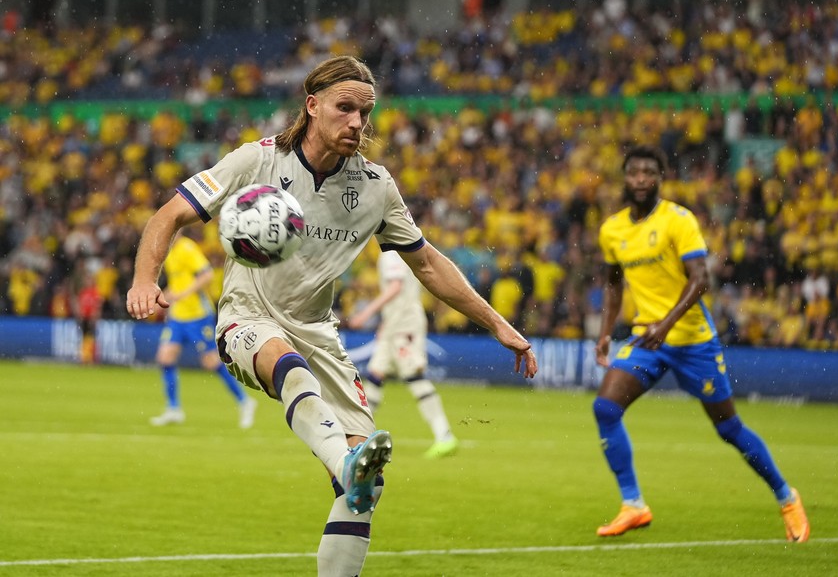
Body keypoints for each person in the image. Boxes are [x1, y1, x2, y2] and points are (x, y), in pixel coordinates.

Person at [127, 55, 537, 576]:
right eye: (345, 109)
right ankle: (343, 460)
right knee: (290, 367)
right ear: (312, 105)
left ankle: (345, 493)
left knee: (364, 490)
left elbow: (428, 263)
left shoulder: (375, 186)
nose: (357, 124)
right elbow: (171, 215)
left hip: (319, 333)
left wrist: (500, 324)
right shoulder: (255, 162)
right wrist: (145, 279)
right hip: (247, 315)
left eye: (365, 114)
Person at [592, 145, 809, 542]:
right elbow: (612, 284)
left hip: (693, 341)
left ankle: (786, 496)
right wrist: (606, 332)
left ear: (660, 177)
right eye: (634, 172)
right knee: (606, 408)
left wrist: (666, 325)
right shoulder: (612, 230)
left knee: (728, 428)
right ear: (625, 178)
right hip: (647, 338)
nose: (640, 179)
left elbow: (701, 280)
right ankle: (634, 505)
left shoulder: (679, 220)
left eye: (648, 172)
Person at [346, 250, 459, 459]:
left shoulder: (390, 254)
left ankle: (444, 435)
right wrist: (386, 322)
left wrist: (365, 313)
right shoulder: (399, 249)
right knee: (375, 375)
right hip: (394, 324)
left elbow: (395, 287)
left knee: (414, 377)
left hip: (404, 325)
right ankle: (361, 438)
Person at [149, 231, 257, 429]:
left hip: (197, 316)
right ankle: (174, 409)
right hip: (178, 316)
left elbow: (206, 275)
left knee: (210, 362)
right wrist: (162, 299)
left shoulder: (187, 248)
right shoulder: (170, 253)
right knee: (165, 357)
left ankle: (244, 401)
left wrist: (185, 293)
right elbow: (178, 285)